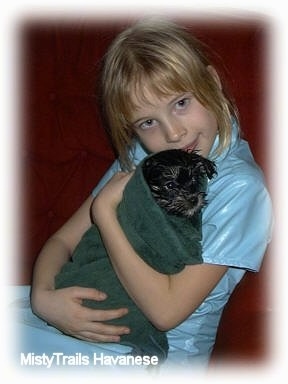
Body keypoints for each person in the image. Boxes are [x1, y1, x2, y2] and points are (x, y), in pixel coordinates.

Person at [19, 18, 272, 372]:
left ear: (211, 83)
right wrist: (44, 298)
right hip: (84, 323)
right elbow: (63, 239)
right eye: (147, 122)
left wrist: (107, 215)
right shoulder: (143, 155)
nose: (173, 132)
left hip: (155, 355)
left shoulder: (242, 189)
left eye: (181, 102)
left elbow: (166, 313)